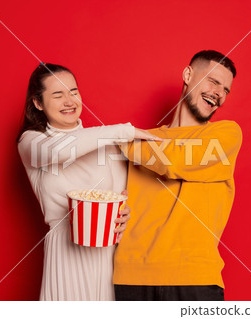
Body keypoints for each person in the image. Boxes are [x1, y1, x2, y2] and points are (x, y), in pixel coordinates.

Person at [17, 63, 160, 301]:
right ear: (38, 103)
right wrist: (125, 131)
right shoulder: (32, 142)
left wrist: (125, 214)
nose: (69, 100)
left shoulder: (106, 143)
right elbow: (61, 150)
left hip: (107, 258)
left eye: (73, 91)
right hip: (64, 255)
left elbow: (122, 196)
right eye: (58, 94)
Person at [113, 50, 243, 301]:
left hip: (195, 279)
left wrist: (121, 142)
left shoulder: (227, 135)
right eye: (213, 81)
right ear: (187, 75)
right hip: (130, 277)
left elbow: (174, 161)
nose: (219, 93)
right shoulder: (141, 140)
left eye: (225, 90)